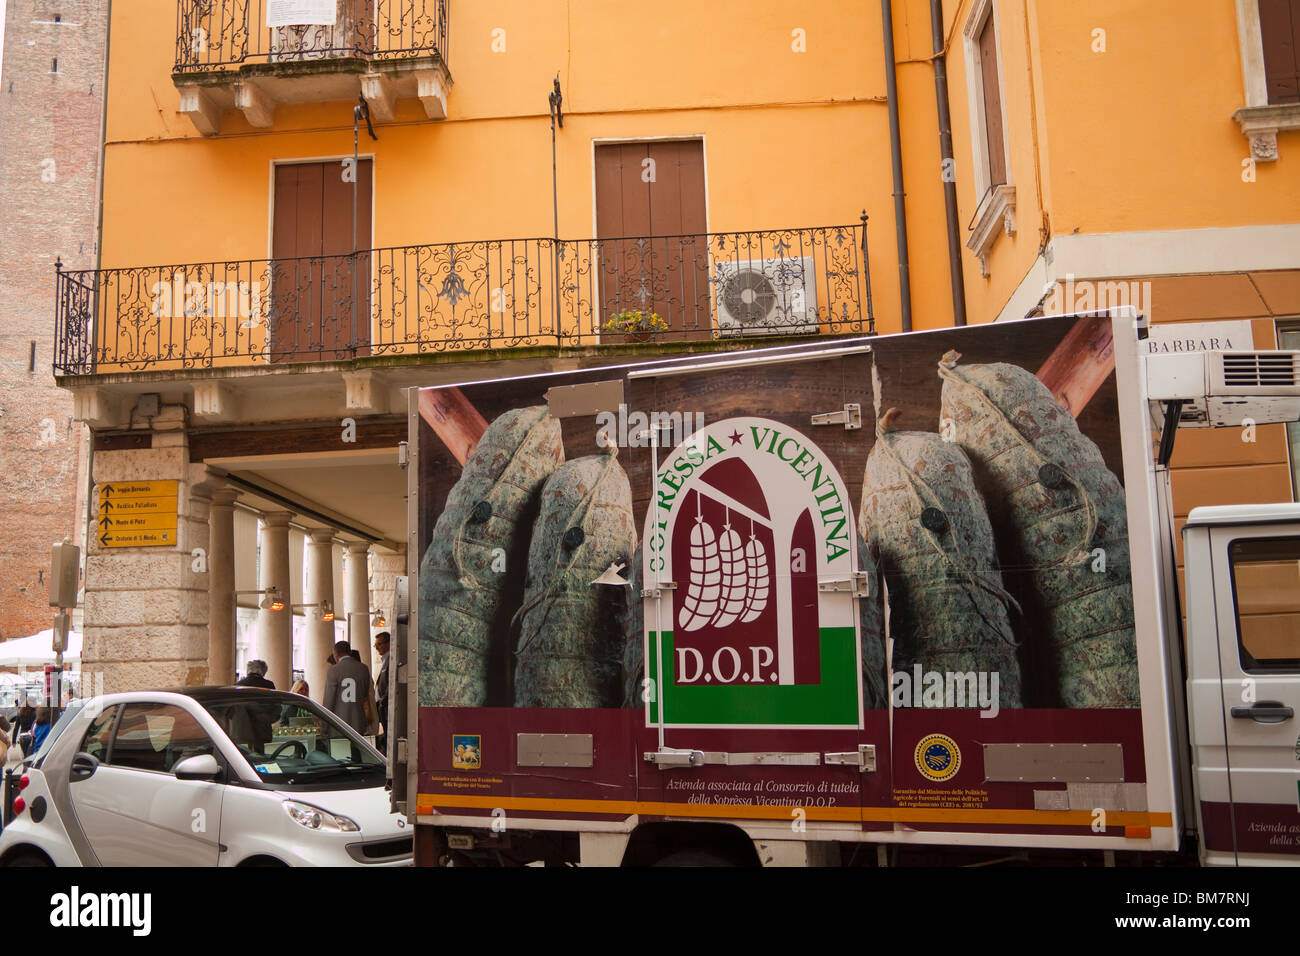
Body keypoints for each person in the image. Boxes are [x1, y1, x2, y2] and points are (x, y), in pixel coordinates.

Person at [322, 641, 373, 735]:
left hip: (339, 724)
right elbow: (365, 694)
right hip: (359, 722)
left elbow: (329, 700)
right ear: (350, 652)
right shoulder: (363, 668)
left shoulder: (334, 670)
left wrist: (324, 726)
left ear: (335, 654)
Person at [373, 631, 391, 754]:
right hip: (382, 706)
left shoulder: (390, 659)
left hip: (385, 706)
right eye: (376, 645)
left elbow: (389, 683)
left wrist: (382, 700)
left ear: (388, 643)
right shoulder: (385, 660)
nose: (377, 648)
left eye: (379, 644)